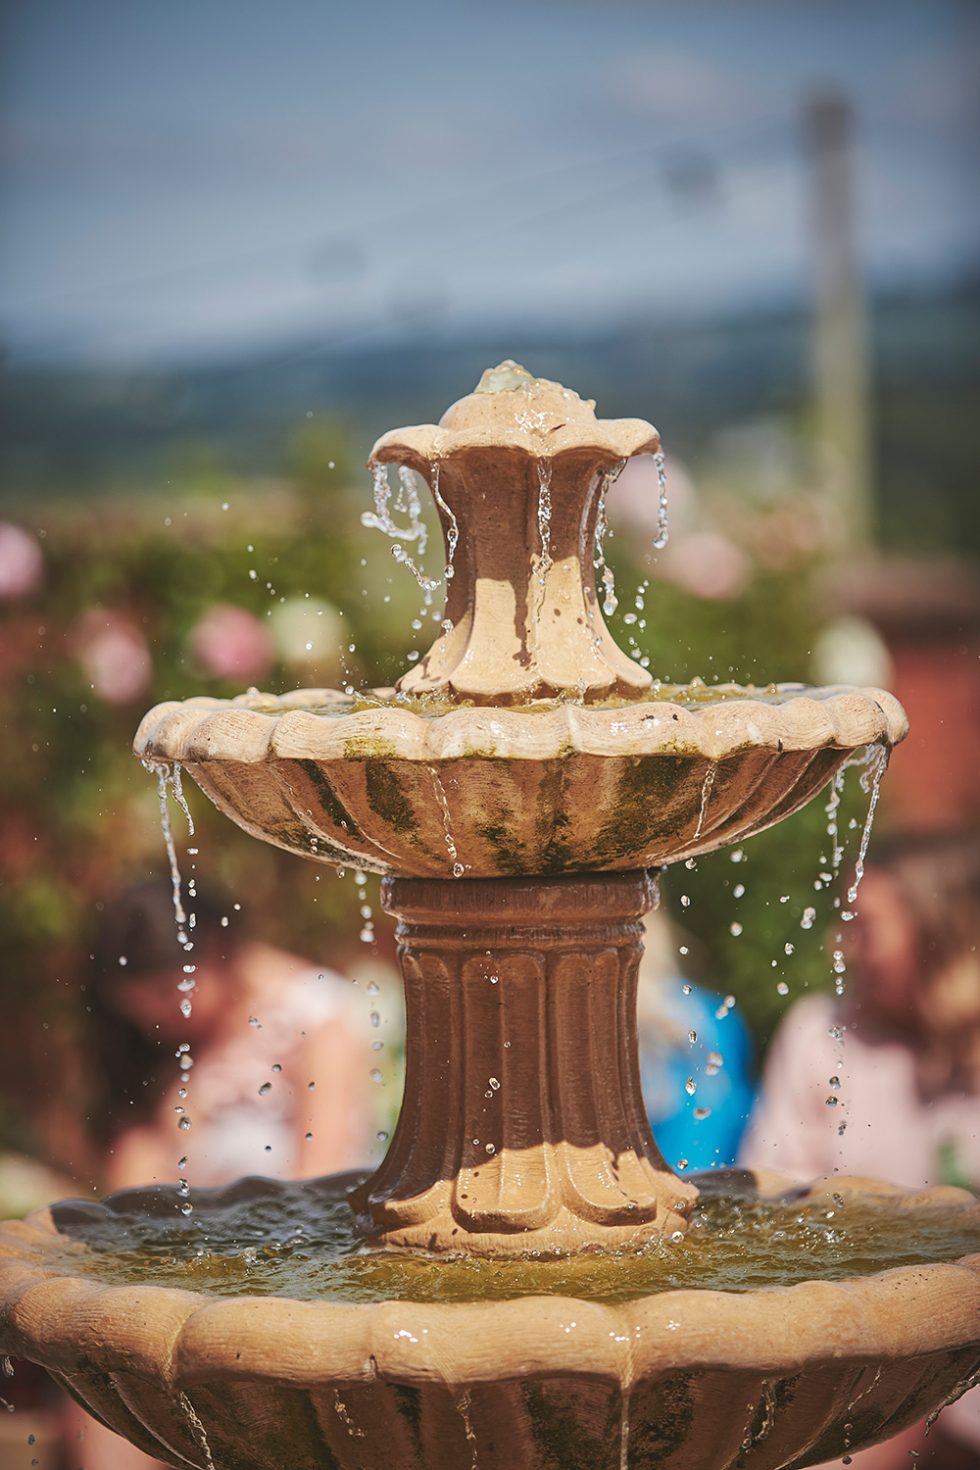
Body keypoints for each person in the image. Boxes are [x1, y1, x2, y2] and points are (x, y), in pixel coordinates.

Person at [64, 876, 400, 1470]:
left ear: (216, 951)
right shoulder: (175, 1043)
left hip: (295, 1271)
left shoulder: (315, 1019)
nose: (160, 1021)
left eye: (169, 996)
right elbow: (135, 1177)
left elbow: (320, 1182)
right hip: (186, 1264)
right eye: (143, 1009)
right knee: (104, 1355)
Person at [741, 829, 980, 1469]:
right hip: (862, 1353)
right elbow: (766, 1200)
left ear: (935, 929)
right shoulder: (824, 1034)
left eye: (866, 925)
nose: (842, 944)